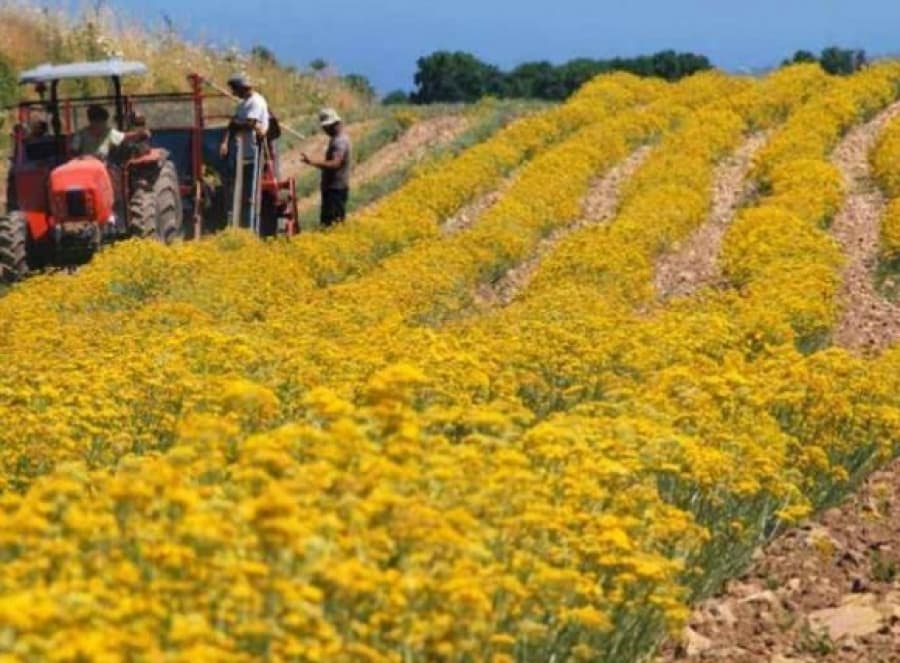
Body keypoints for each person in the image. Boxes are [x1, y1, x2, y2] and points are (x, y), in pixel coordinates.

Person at [218, 73, 271, 231]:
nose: (234, 93)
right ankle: (239, 226)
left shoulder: (256, 102)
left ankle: (250, 227)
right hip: (243, 153)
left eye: (235, 89)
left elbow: (249, 124)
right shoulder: (243, 104)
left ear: (242, 88)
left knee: (250, 194)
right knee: (239, 191)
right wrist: (225, 142)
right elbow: (233, 123)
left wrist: (237, 124)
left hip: (253, 152)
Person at [301, 108, 352, 228]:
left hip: (335, 189)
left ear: (335, 124)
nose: (325, 130)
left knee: (332, 225)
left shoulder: (339, 142)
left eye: (327, 127)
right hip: (334, 188)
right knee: (331, 225)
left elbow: (335, 163)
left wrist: (313, 162)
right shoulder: (337, 139)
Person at [70, 105, 149, 160]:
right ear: (93, 122)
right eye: (102, 122)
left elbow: (124, 137)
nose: (104, 124)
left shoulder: (108, 132)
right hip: (86, 167)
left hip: (104, 167)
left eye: (105, 122)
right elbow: (73, 153)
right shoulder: (80, 135)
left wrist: (139, 134)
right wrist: (83, 159)